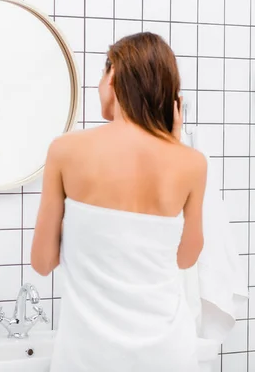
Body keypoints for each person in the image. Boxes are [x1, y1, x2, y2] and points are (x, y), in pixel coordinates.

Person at [31, 32, 207, 371]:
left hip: (88, 355)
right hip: (168, 353)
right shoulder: (191, 162)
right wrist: (172, 144)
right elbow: (186, 258)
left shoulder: (65, 151)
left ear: (113, 76)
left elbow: (42, 261)